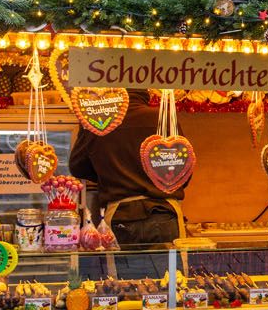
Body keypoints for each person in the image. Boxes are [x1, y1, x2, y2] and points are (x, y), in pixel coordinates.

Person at [69, 89, 183, 245]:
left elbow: (78, 167)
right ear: (146, 95)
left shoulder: (98, 119)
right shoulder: (163, 117)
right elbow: (182, 169)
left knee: (121, 270)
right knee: (171, 269)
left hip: (119, 214)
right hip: (165, 213)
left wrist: (109, 173)